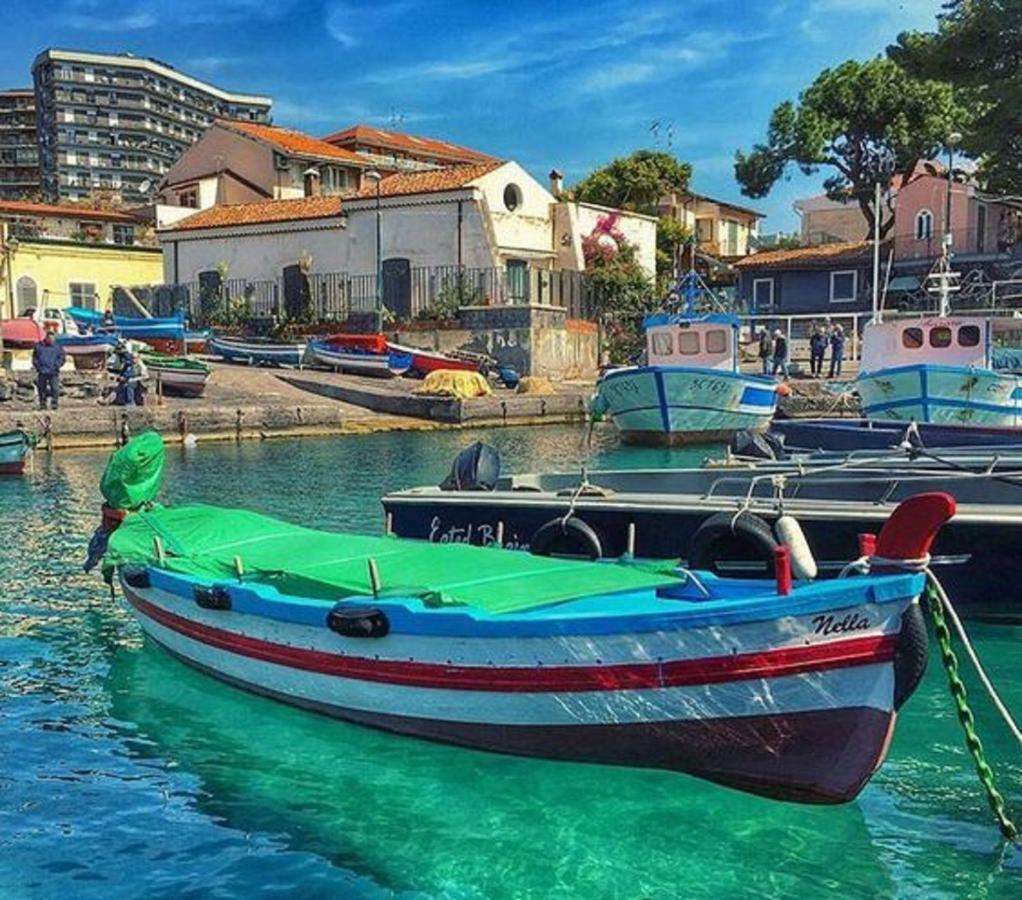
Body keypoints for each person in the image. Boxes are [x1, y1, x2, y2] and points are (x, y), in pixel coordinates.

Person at [32, 330, 66, 411]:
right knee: (41, 389)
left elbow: (62, 358)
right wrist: (38, 367)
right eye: (50, 338)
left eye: (53, 338)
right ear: (46, 338)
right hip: (42, 371)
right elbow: (35, 358)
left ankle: (54, 404)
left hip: (53, 372)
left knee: (55, 389)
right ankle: (43, 404)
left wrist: (57, 365)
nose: (51, 340)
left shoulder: (58, 347)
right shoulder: (39, 346)